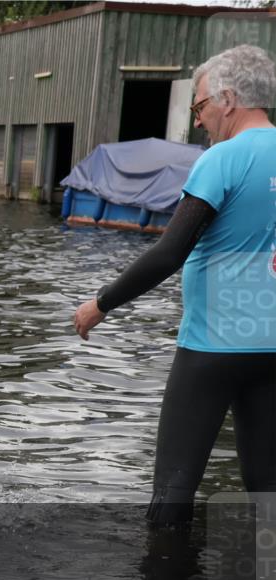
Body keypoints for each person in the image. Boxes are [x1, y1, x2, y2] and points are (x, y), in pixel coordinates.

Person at [73, 45, 276, 526]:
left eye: (200, 106)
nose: (199, 120)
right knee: (267, 491)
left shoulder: (222, 160)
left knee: (173, 493)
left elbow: (170, 251)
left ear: (228, 100)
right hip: (272, 352)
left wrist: (100, 304)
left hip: (212, 347)